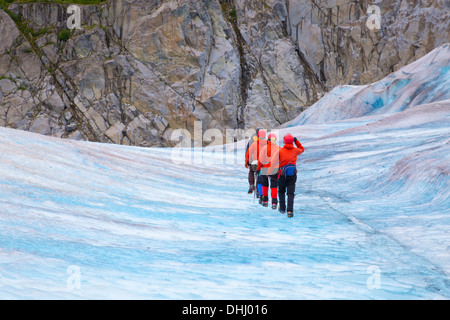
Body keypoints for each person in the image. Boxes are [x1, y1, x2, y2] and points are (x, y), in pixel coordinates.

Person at [271, 133, 305, 218]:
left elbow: (273, 162)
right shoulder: (295, 150)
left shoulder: (280, 151)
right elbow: (302, 149)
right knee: (290, 193)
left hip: (282, 175)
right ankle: (290, 211)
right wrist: (296, 141)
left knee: (281, 191)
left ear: (284, 141)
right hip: (292, 175)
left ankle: (282, 208)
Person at [256, 133, 281, 209]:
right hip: (275, 168)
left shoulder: (264, 148)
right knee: (274, 186)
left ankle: (265, 201)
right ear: (275, 140)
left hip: (265, 168)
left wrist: (258, 169)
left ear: (268, 140)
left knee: (265, 185)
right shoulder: (279, 148)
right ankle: (274, 202)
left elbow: (261, 160)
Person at [245, 129, 267, 201]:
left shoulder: (253, 142)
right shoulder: (268, 143)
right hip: (264, 163)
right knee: (261, 176)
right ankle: (259, 192)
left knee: (251, 171)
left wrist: (247, 162)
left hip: (255, 162)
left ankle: (251, 185)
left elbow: (248, 152)